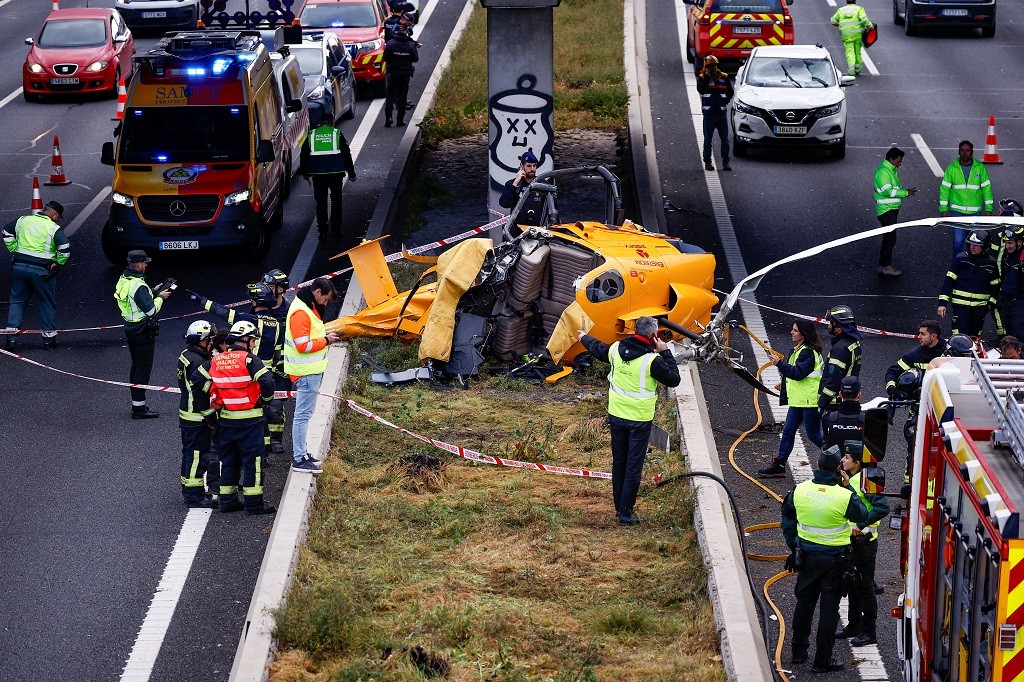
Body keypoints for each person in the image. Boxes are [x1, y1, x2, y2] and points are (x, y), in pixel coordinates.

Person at [578, 317, 681, 525]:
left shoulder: (615, 350)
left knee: (619, 463)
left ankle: (619, 508)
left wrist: (582, 336)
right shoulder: (652, 361)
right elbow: (674, 379)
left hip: (616, 416)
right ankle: (625, 513)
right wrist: (665, 352)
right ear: (653, 336)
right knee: (633, 466)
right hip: (639, 421)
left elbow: (597, 348)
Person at [781, 445, 867, 673]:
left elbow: (787, 520)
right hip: (834, 561)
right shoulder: (844, 496)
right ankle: (823, 660)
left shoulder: (798, 490)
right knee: (829, 611)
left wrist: (794, 546)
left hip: (806, 558)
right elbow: (862, 516)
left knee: (804, 605)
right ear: (839, 468)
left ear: (817, 465)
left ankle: (798, 652)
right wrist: (849, 487)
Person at [191, 283, 287, 460]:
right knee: (262, 414)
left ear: (255, 301)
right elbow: (279, 353)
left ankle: (231, 448)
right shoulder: (277, 325)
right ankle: (262, 453)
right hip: (266, 374)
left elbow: (223, 312)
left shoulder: (249, 320)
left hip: (245, 373)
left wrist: (202, 301)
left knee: (237, 411)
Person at [195, 320, 276, 515]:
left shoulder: (217, 360)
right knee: (252, 461)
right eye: (253, 341)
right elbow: (267, 381)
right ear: (246, 339)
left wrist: (214, 397)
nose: (254, 345)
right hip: (251, 421)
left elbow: (197, 380)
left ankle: (228, 501)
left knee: (229, 461)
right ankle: (253, 504)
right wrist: (265, 400)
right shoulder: (249, 360)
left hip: (227, 421)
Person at [835, 441, 889, 648]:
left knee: (865, 588)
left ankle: (869, 632)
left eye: (847, 458)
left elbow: (882, 507)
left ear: (856, 463)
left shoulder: (866, 482)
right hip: (851, 542)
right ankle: (853, 626)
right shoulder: (850, 480)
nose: (843, 460)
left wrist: (861, 524)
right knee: (854, 585)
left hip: (864, 543)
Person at [285, 277, 341, 474]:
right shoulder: (301, 312)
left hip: (308, 372)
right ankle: (299, 458)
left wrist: (325, 336)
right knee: (302, 416)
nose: (325, 304)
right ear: (317, 292)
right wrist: (326, 340)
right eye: (325, 299)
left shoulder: (306, 307)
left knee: (304, 415)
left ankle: (302, 454)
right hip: (306, 372)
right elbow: (303, 346)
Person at [758, 320, 825, 478]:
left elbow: (798, 373)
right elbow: (796, 374)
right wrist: (783, 383)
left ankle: (839, 460)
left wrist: (779, 364)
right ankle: (780, 465)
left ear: (804, 334)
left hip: (809, 402)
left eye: (795, 330)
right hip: (799, 401)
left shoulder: (808, 352)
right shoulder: (798, 350)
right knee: (788, 432)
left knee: (814, 435)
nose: (791, 332)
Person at [1, 200, 69, 350]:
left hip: (19, 268)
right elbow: (64, 247)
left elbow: (6, 232)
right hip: (42, 272)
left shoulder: (22, 220)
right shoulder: (53, 228)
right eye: (58, 217)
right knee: (46, 303)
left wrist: (14, 250)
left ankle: (11, 340)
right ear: (54, 214)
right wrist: (58, 263)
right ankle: (48, 341)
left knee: (17, 301)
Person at [114, 250, 173, 419]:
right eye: (145, 263)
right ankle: (139, 409)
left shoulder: (125, 279)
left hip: (131, 328)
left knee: (136, 366)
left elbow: (133, 300)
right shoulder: (138, 285)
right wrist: (160, 297)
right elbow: (151, 310)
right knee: (143, 369)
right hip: (142, 331)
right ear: (139, 265)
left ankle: (138, 405)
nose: (147, 265)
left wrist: (152, 292)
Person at [300, 91, 357, 241]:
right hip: (336, 173)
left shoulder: (312, 135)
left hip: (318, 174)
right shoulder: (336, 133)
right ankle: (336, 230)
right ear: (332, 122)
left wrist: (305, 172)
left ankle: (322, 231)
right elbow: (346, 154)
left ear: (320, 123)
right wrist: (351, 174)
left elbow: (304, 155)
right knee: (336, 201)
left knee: (321, 202)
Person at [177, 320, 220, 508]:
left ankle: (189, 490)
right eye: (209, 338)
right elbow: (201, 393)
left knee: (188, 454)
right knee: (196, 456)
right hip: (197, 416)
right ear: (201, 340)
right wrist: (211, 417)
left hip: (187, 414)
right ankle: (194, 497)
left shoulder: (186, 355)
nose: (212, 342)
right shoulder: (199, 362)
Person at [938, 230, 999, 336]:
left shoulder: (991, 263)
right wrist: (942, 304)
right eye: (971, 244)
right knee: (959, 335)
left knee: (975, 337)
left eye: (977, 245)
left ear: (985, 246)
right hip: (960, 305)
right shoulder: (961, 259)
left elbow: (995, 285)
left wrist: (991, 304)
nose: (973, 247)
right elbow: (949, 281)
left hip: (980, 307)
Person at [939, 140, 994, 258]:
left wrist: (989, 209)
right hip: (957, 213)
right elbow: (945, 189)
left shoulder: (980, 168)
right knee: (958, 241)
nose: (965, 153)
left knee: (975, 242)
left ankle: (971, 265)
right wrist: (944, 208)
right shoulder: (952, 168)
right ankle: (957, 266)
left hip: (975, 213)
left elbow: (986, 189)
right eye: (962, 150)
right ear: (959, 152)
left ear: (972, 152)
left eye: (967, 150)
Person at [873, 147, 917, 277]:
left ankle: (884, 264)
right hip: (886, 210)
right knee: (890, 239)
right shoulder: (883, 173)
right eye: (898, 161)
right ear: (891, 159)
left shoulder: (890, 170)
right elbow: (888, 192)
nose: (900, 164)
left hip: (890, 209)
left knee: (888, 238)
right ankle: (886, 266)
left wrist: (906, 192)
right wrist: (906, 193)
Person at [818, 305, 863, 414]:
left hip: (834, 404)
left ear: (839, 326)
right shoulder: (854, 343)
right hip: (848, 399)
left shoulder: (839, 349)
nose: (828, 326)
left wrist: (822, 403)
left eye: (831, 322)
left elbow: (834, 379)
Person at [884, 319, 947, 396]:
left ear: (933, 336)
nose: (919, 337)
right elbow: (893, 371)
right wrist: (892, 389)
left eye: (923, 334)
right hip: (921, 401)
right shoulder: (915, 354)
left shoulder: (949, 352)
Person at [696, 55, 733, 172]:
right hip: (709, 115)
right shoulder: (702, 78)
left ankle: (726, 162)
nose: (712, 68)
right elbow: (701, 90)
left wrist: (725, 100)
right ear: (705, 67)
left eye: (714, 66)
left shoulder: (724, 78)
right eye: (709, 66)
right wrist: (707, 78)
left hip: (721, 114)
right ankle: (707, 162)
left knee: (725, 141)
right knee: (707, 140)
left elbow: (730, 92)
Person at [498, 151, 545, 232]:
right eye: (529, 166)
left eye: (534, 166)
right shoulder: (512, 184)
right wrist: (516, 182)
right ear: (522, 167)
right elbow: (504, 204)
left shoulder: (543, 185)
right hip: (517, 229)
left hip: (537, 229)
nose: (532, 169)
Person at [383, 23, 418, 128]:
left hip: (393, 73)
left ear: (395, 32)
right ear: (406, 33)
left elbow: (385, 58)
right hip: (405, 74)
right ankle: (400, 120)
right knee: (403, 97)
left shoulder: (390, 44)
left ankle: (389, 118)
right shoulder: (411, 45)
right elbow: (415, 59)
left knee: (390, 96)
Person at [823, 376, 864, 458]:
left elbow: (826, 444)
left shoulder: (828, 418)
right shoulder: (868, 419)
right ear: (859, 395)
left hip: (835, 466)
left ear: (840, 394)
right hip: (861, 467)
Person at [830, 0, 872, 77]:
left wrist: (839, 24)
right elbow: (864, 20)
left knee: (850, 52)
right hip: (857, 34)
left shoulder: (841, 10)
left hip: (846, 35)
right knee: (857, 51)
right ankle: (858, 68)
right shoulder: (859, 9)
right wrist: (871, 26)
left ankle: (851, 70)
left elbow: (833, 21)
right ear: (855, 1)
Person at [997, 225, 1024, 339]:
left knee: (1019, 335)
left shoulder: (1022, 259)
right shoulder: (1008, 257)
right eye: (1006, 243)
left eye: (1010, 243)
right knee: (1009, 335)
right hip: (1007, 302)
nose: (1008, 246)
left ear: (1020, 242)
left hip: (1019, 304)